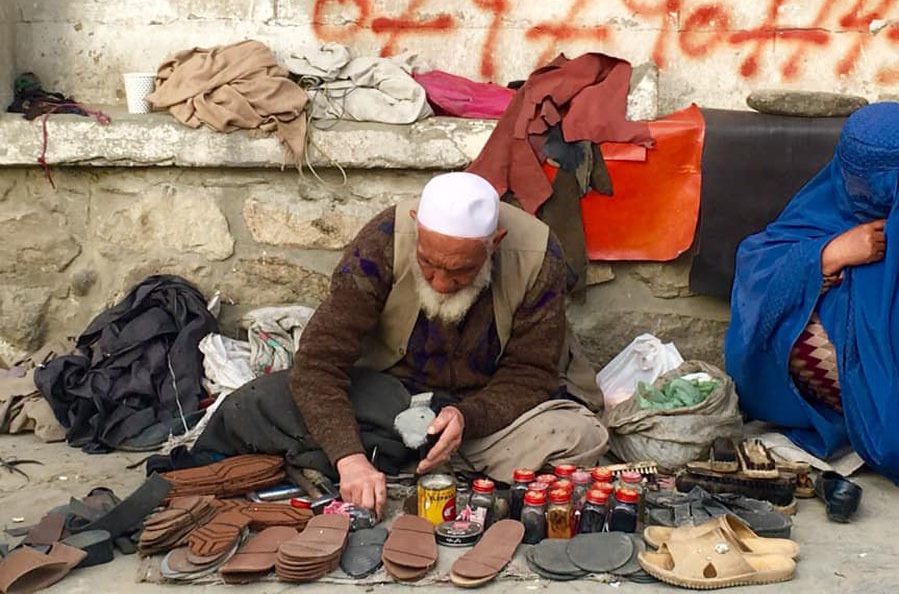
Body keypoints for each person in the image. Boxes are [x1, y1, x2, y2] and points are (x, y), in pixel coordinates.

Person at [196, 172, 607, 518]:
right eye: (428, 263)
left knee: (579, 434)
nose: (442, 284)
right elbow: (321, 360)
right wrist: (349, 459)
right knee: (264, 398)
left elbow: (530, 373)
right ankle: (388, 459)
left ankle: (410, 458)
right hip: (391, 398)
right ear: (416, 225)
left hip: (483, 415)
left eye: (461, 270)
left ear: (494, 243)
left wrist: (467, 418)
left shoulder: (538, 255)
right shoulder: (382, 240)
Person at [725, 102, 899, 515]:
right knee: (796, 322)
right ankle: (863, 415)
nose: (868, 193)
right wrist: (829, 255)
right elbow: (759, 269)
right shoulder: (832, 196)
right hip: (870, 380)